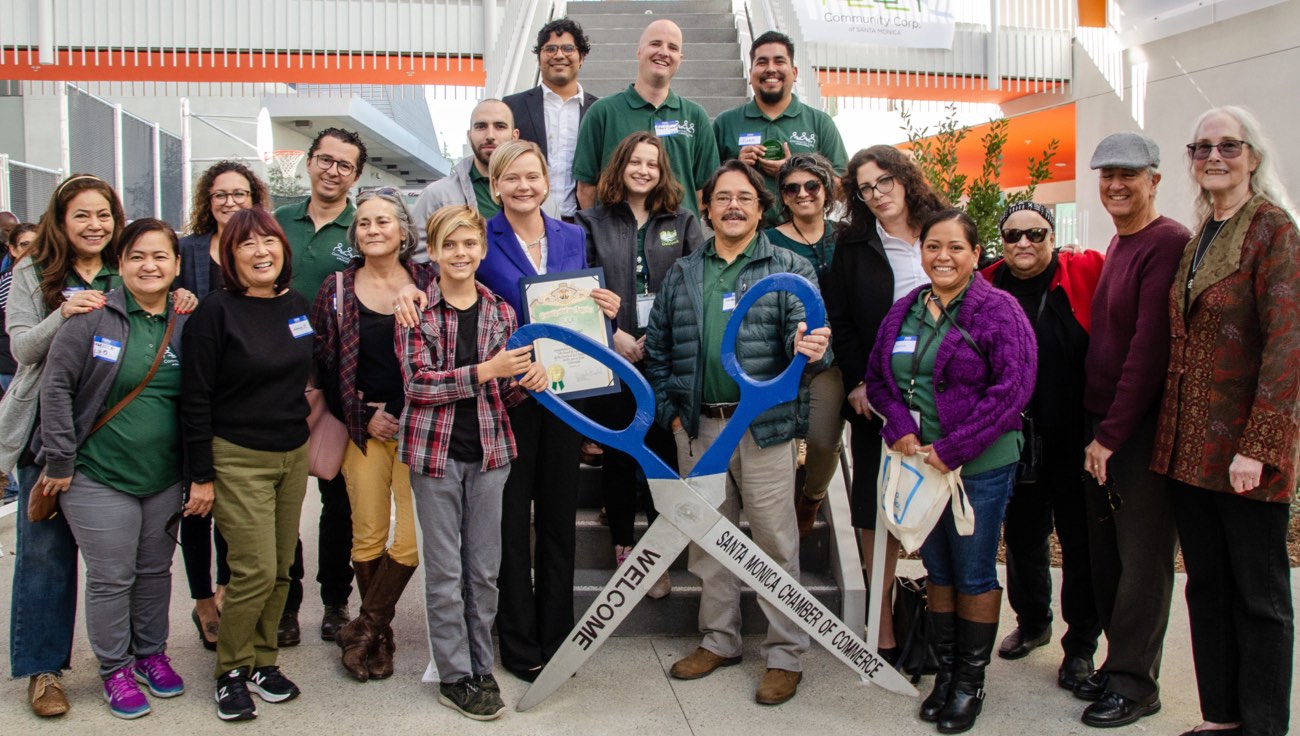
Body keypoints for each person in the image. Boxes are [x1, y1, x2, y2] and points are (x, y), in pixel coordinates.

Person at [647, 160, 831, 706]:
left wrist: (814, 348)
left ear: (760, 206)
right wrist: (673, 416)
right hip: (699, 426)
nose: (733, 205)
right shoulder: (683, 272)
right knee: (709, 540)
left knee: (775, 539)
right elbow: (657, 352)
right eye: (722, 197)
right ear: (705, 206)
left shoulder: (791, 268)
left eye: (744, 198)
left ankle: (784, 653)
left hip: (764, 427)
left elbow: (817, 344)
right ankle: (720, 640)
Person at [1152, 106, 1298, 736]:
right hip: (1191, 451)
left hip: (1244, 452)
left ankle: (1263, 727)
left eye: (1228, 146)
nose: (1214, 156)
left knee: (1259, 598)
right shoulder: (1202, 234)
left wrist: (1259, 445)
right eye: (1202, 146)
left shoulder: (1273, 230)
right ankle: (1223, 719)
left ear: (1252, 157)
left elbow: (1288, 345)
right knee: (1206, 586)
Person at [866, 208, 1036, 733]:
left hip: (976, 468)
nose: (943, 257)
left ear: (975, 254)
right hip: (921, 466)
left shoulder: (998, 310)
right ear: (921, 253)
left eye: (955, 248)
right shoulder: (904, 311)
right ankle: (943, 674)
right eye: (933, 247)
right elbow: (877, 379)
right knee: (937, 570)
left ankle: (969, 682)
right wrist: (898, 424)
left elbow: (1013, 389)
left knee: (973, 571)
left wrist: (957, 447)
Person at [474, 140, 619, 681]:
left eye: (532, 176)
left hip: (564, 396)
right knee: (512, 523)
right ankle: (518, 641)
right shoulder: (481, 238)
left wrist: (605, 307)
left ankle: (559, 637)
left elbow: (578, 305)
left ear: (546, 181)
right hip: (508, 398)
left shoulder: (571, 236)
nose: (524, 186)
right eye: (512, 178)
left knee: (558, 520)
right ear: (496, 185)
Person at [37, 218, 191, 719]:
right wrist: (60, 458)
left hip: (164, 476)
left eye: (160, 256)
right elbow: (55, 388)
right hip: (97, 475)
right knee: (112, 577)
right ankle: (115, 669)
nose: (150, 266)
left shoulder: (188, 319)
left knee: (154, 572)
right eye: (138, 256)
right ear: (119, 264)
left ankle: (151, 655)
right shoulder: (91, 317)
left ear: (176, 264)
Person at [399, 204, 545, 720]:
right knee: (444, 572)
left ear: (482, 250)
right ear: (433, 252)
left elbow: (503, 394)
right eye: (450, 245)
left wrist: (526, 382)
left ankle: (481, 665)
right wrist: (487, 370)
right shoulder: (416, 310)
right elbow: (418, 384)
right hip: (433, 455)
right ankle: (454, 675)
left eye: (470, 245)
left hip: (490, 454)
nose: (461, 254)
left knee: (483, 570)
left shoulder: (501, 311)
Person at [0, 174, 125, 717]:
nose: (94, 225)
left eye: (103, 215)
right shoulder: (35, 270)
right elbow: (23, 348)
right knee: (45, 556)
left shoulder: (130, 267)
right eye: (82, 215)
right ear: (61, 219)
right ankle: (43, 670)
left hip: (115, 432)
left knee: (117, 558)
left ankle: (122, 662)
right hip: (46, 434)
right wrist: (64, 314)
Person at [182, 207, 313, 722]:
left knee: (280, 568)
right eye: (247, 244)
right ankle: (230, 670)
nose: (261, 252)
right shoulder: (215, 312)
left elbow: (308, 375)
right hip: (237, 455)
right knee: (253, 569)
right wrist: (201, 475)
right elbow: (194, 398)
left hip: (292, 453)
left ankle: (263, 661)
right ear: (229, 257)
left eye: (269, 242)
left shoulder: (296, 305)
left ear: (283, 249)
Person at [1075, 132, 1188, 728]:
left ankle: (1137, 684)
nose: (1115, 185)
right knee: (1108, 556)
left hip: (1134, 430)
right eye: (1106, 175)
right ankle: (1118, 665)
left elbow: (1150, 349)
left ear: (1155, 180)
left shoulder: (1166, 242)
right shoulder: (1124, 241)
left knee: (1143, 560)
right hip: (1105, 421)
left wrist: (1112, 434)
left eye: (1128, 174)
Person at [824, 144, 947, 660]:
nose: (876, 196)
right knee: (876, 507)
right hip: (880, 396)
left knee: (941, 506)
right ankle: (882, 623)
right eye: (865, 188)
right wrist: (857, 381)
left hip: (947, 396)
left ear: (905, 179)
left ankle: (944, 628)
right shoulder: (852, 245)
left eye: (884, 183)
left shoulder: (944, 228)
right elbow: (844, 321)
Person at [981, 202, 1104, 690]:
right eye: (1013, 236)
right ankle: (1033, 623)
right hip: (1015, 441)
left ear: (1053, 236)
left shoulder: (1081, 271)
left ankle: (1080, 647)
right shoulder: (988, 283)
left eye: (1036, 233)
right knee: (1025, 538)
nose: (1024, 244)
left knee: (1079, 544)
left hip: (1074, 437)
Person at [313, 188, 433, 682]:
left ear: (403, 231)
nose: (373, 230)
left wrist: (404, 411)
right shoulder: (336, 288)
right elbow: (322, 365)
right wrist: (363, 413)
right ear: (355, 234)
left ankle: (363, 628)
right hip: (361, 431)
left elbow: (446, 351)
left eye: (384, 221)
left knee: (409, 540)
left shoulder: (431, 281)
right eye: (364, 223)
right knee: (366, 533)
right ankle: (378, 640)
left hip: (418, 427)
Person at [576, 131, 703, 592]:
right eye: (636, 162)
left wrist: (657, 338)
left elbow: (695, 288)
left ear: (662, 170)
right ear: (620, 166)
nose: (644, 170)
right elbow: (578, 292)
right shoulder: (590, 221)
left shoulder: (683, 221)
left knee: (663, 454)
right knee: (618, 454)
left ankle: (659, 556)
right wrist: (615, 337)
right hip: (612, 357)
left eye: (652, 163)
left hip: (663, 357)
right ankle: (624, 551)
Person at [274, 127, 366, 646]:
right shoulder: (277, 222)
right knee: (284, 497)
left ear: (356, 175)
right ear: (309, 163)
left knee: (339, 500)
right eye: (325, 160)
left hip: (335, 382)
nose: (333, 171)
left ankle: (336, 602)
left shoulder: (362, 227)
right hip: (277, 382)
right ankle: (285, 606)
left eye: (344, 165)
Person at [178, 160, 271, 650]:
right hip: (193, 386)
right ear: (207, 201)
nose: (230, 202)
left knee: (231, 508)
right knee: (198, 501)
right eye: (220, 194)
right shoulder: (187, 249)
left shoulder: (259, 249)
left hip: (242, 396)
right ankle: (201, 600)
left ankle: (226, 589)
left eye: (240, 193)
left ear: (255, 199)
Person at [764, 153, 841, 536]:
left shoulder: (845, 236)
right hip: (785, 353)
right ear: (783, 196)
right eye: (792, 188)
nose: (803, 194)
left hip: (835, 357)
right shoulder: (771, 240)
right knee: (783, 442)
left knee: (824, 440)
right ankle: (779, 520)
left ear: (826, 189)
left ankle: (812, 497)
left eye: (812, 185)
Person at [573, 20, 719, 216]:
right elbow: (586, 189)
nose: (664, 52)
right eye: (655, 44)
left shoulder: (695, 116)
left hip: (677, 242)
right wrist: (604, 235)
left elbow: (705, 192)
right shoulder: (602, 112)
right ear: (639, 51)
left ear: (680, 58)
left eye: (672, 48)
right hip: (615, 242)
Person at [713, 31, 847, 226]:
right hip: (743, 239)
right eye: (762, 62)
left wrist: (795, 170)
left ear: (794, 72)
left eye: (779, 61)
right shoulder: (726, 122)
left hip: (803, 239)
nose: (770, 69)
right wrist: (736, 168)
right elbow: (706, 190)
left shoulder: (819, 122)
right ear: (750, 74)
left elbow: (844, 191)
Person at [414, 99, 554, 248]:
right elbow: (416, 256)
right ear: (470, 135)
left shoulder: (542, 197)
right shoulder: (438, 196)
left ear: (515, 135)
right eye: (481, 127)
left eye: (500, 126)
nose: (490, 135)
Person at [504, 18, 599, 223]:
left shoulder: (600, 110)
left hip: (581, 224)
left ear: (581, 56)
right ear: (539, 58)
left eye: (567, 48)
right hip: (526, 221)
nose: (559, 55)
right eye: (550, 49)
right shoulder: (513, 107)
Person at [0, 223, 37, 504]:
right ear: (12, 249)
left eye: (37, 244)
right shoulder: (13, 279)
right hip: (13, 367)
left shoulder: (43, 276)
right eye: (24, 245)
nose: (32, 250)